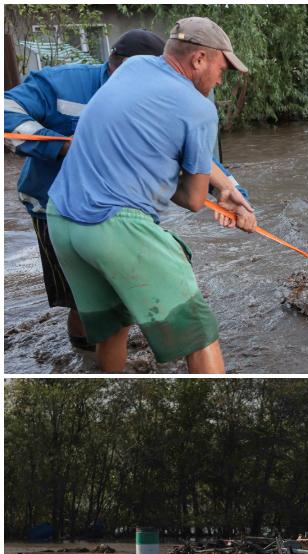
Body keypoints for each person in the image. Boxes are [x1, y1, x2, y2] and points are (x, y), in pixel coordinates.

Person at [44, 17, 256, 373]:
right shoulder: (200, 109)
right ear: (199, 59)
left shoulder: (134, 66)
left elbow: (147, 143)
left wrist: (227, 187)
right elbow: (191, 199)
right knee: (199, 332)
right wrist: (217, 195)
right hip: (113, 227)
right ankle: (219, 417)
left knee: (114, 328)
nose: (222, 78)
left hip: (61, 221)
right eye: (223, 68)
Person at [4, 30, 167, 350]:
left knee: (132, 287)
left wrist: (231, 192)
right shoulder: (62, 84)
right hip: (52, 206)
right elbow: (4, 109)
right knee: (82, 298)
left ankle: (107, 351)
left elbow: (191, 159)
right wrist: (63, 147)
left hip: (120, 209)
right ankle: (86, 360)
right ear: (117, 67)